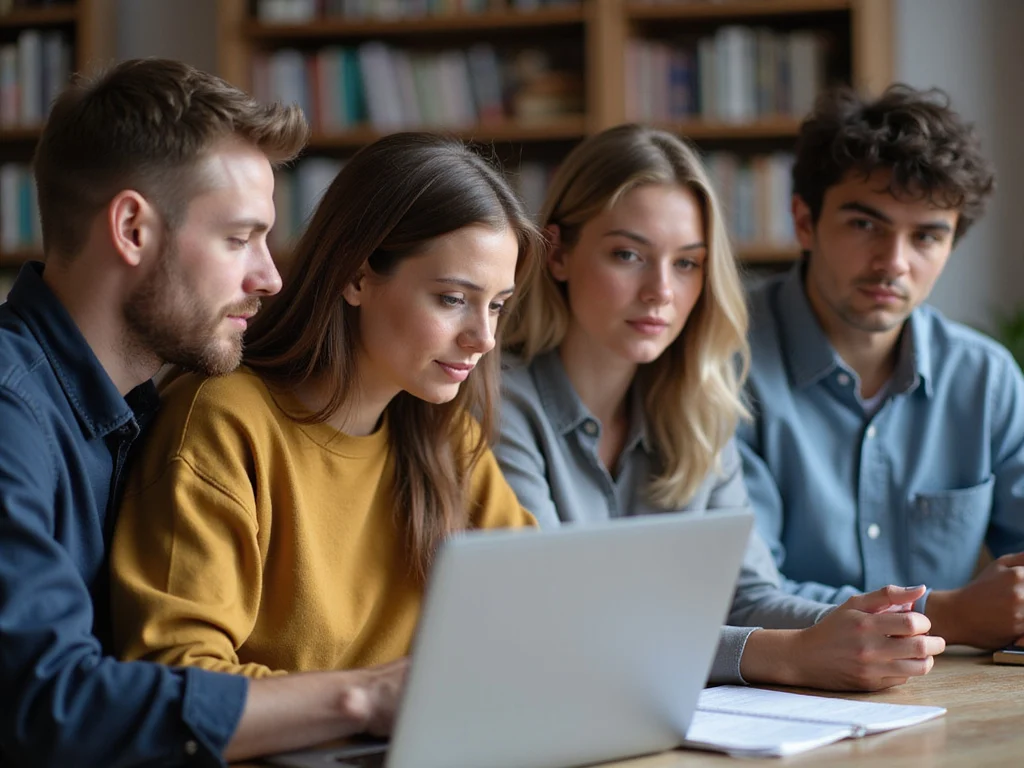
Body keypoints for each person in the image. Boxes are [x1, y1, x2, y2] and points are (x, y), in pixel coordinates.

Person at [0, 58, 415, 768]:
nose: (270, 277)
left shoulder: (134, 415)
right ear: (132, 228)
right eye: (238, 238)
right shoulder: (11, 414)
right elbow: (51, 706)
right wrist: (362, 697)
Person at [496, 123, 946, 692]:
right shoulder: (500, 404)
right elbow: (556, 624)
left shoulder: (696, 408)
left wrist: (856, 626)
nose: (661, 290)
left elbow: (747, 593)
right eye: (628, 254)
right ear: (557, 253)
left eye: (687, 263)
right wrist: (786, 656)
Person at [109, 134, 540, 682]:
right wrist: (365, 703)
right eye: (453, 299)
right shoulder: (224, 419)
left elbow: (540, 610)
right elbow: (181, 676)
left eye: (497, 306)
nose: (483, 339)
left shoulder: (441, 431)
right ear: (357, 277)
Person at [734, 84, 1024, 651]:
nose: (893, 262)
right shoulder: (722, 367)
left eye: (926, 236)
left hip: (952, 701)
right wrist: (949, 615)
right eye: (865, 224)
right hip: (784, 701)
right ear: (804, 221)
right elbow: (742, 598)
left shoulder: (985, 378)